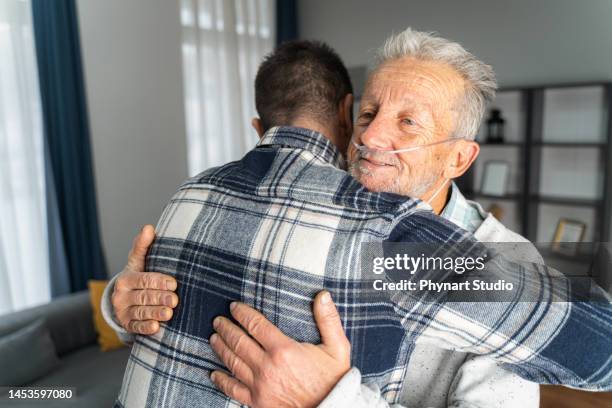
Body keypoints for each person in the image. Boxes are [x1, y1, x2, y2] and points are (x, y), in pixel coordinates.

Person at [109, 32, 611, 408]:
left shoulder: (499, 260)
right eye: (369, 115)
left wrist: (328, 398)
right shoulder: (319, 211)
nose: (371, 139)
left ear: (459, 158)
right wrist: (124, 302)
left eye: (407, 122)